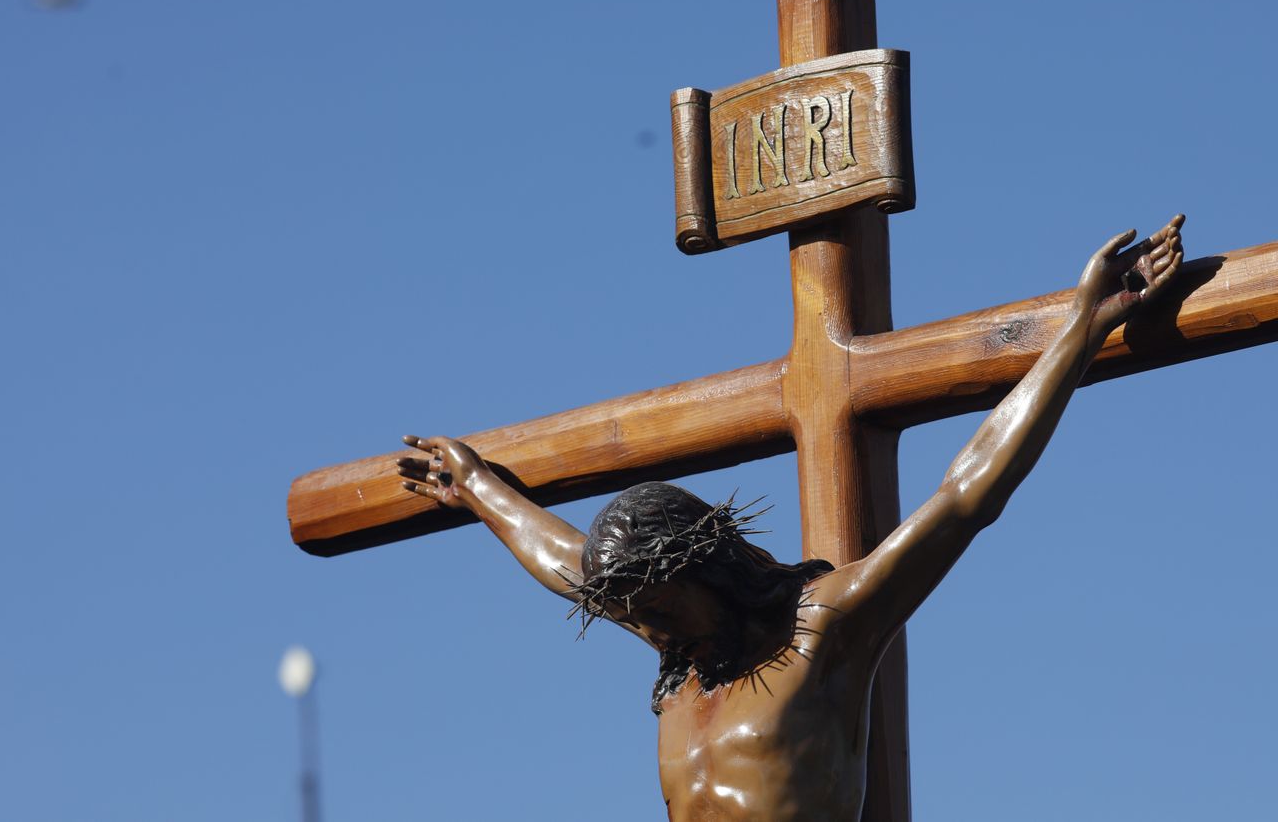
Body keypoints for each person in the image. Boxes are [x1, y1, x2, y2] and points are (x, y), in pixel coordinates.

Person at [398, 216, 1184, 822]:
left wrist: (1082, 330)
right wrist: (475, 486)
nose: (653, 633)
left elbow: (966, 495)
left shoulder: (825, 629)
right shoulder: (678, 659)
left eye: (662, 611)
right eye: (639, 616)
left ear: (702, 563)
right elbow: (563, 559)